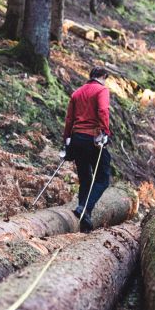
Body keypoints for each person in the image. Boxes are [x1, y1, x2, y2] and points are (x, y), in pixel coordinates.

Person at [63, 66, 112, 233]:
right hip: (93, 138)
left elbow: (69, 119)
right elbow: (103, 110)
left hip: (76, 138)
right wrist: (105, 131)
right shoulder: (101, 90)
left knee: (85, 177)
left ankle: (84, 217)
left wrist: (66, 140)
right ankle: (85, 208)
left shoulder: (77, 93)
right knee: (103, 178)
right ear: (103, 76)